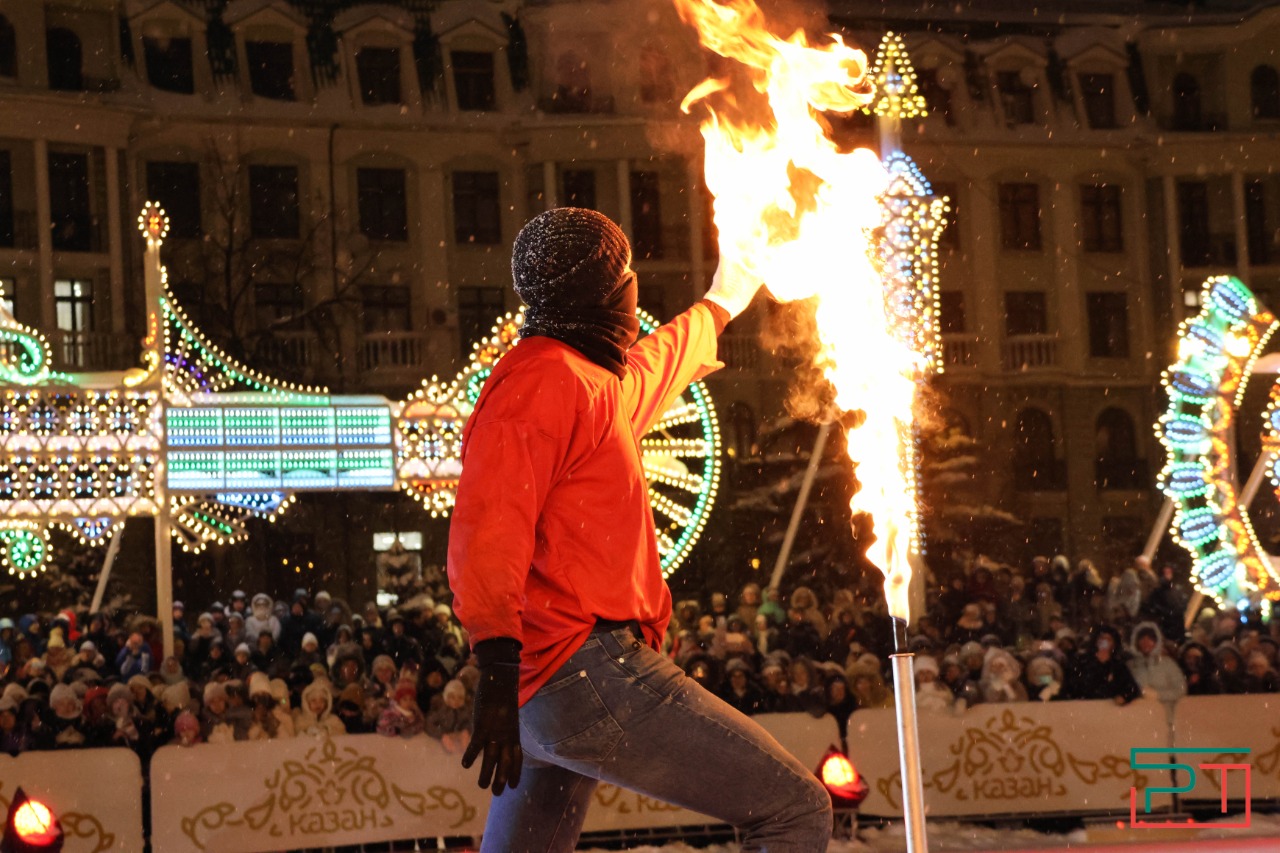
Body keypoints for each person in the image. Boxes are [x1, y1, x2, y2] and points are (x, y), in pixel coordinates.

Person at [447, 208, 830, 852]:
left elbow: (657, 365)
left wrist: (723, 296)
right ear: (603, 292)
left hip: (545, 683)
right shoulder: (545, 382)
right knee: (794, 809)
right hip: (580, 667)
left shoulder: (588, 379)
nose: (636, 285)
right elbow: (489, 527)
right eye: (626, 272)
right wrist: (493, 665)